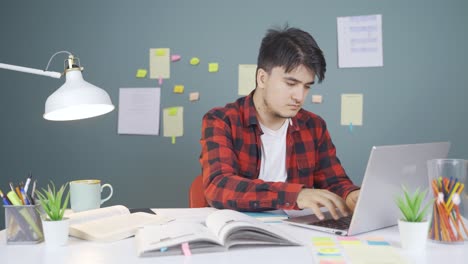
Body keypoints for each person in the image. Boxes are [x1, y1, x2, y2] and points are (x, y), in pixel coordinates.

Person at [199, 26, 360, 220]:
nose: (299, 97)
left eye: (306, 86)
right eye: (291, 84)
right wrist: (295, 195)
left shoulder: (314, 126)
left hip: (298, 233)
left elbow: (334, 181)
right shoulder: (221, 120)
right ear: (262, 78)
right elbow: (219, 185)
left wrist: (351, 195)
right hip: (240, 231)